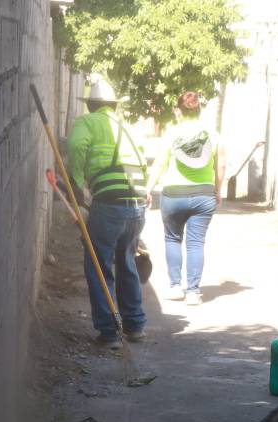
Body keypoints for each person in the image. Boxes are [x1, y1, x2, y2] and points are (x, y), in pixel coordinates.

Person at [67, 78, 149, 349]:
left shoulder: (87, 122)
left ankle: (109, 333)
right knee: (126, 261)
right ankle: (135, 326)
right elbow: (142, 160)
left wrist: (76, 181)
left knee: (98, 264)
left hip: (110, 205)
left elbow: (77, 146)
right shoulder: (129, 128)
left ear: (90, 105)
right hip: (136, 206)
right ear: (114, 105)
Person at [146, 91, 226, 306]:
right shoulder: (213, 133)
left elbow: (160, 162)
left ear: (179, 110)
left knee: (173, 239)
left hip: (174, 194)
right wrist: (218, 189)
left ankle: (175, 287)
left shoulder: (172, 133)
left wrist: (148, 188)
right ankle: (193, 292)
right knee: (196, 243)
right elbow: (221, 164)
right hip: (204, 194)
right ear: (198, 109)